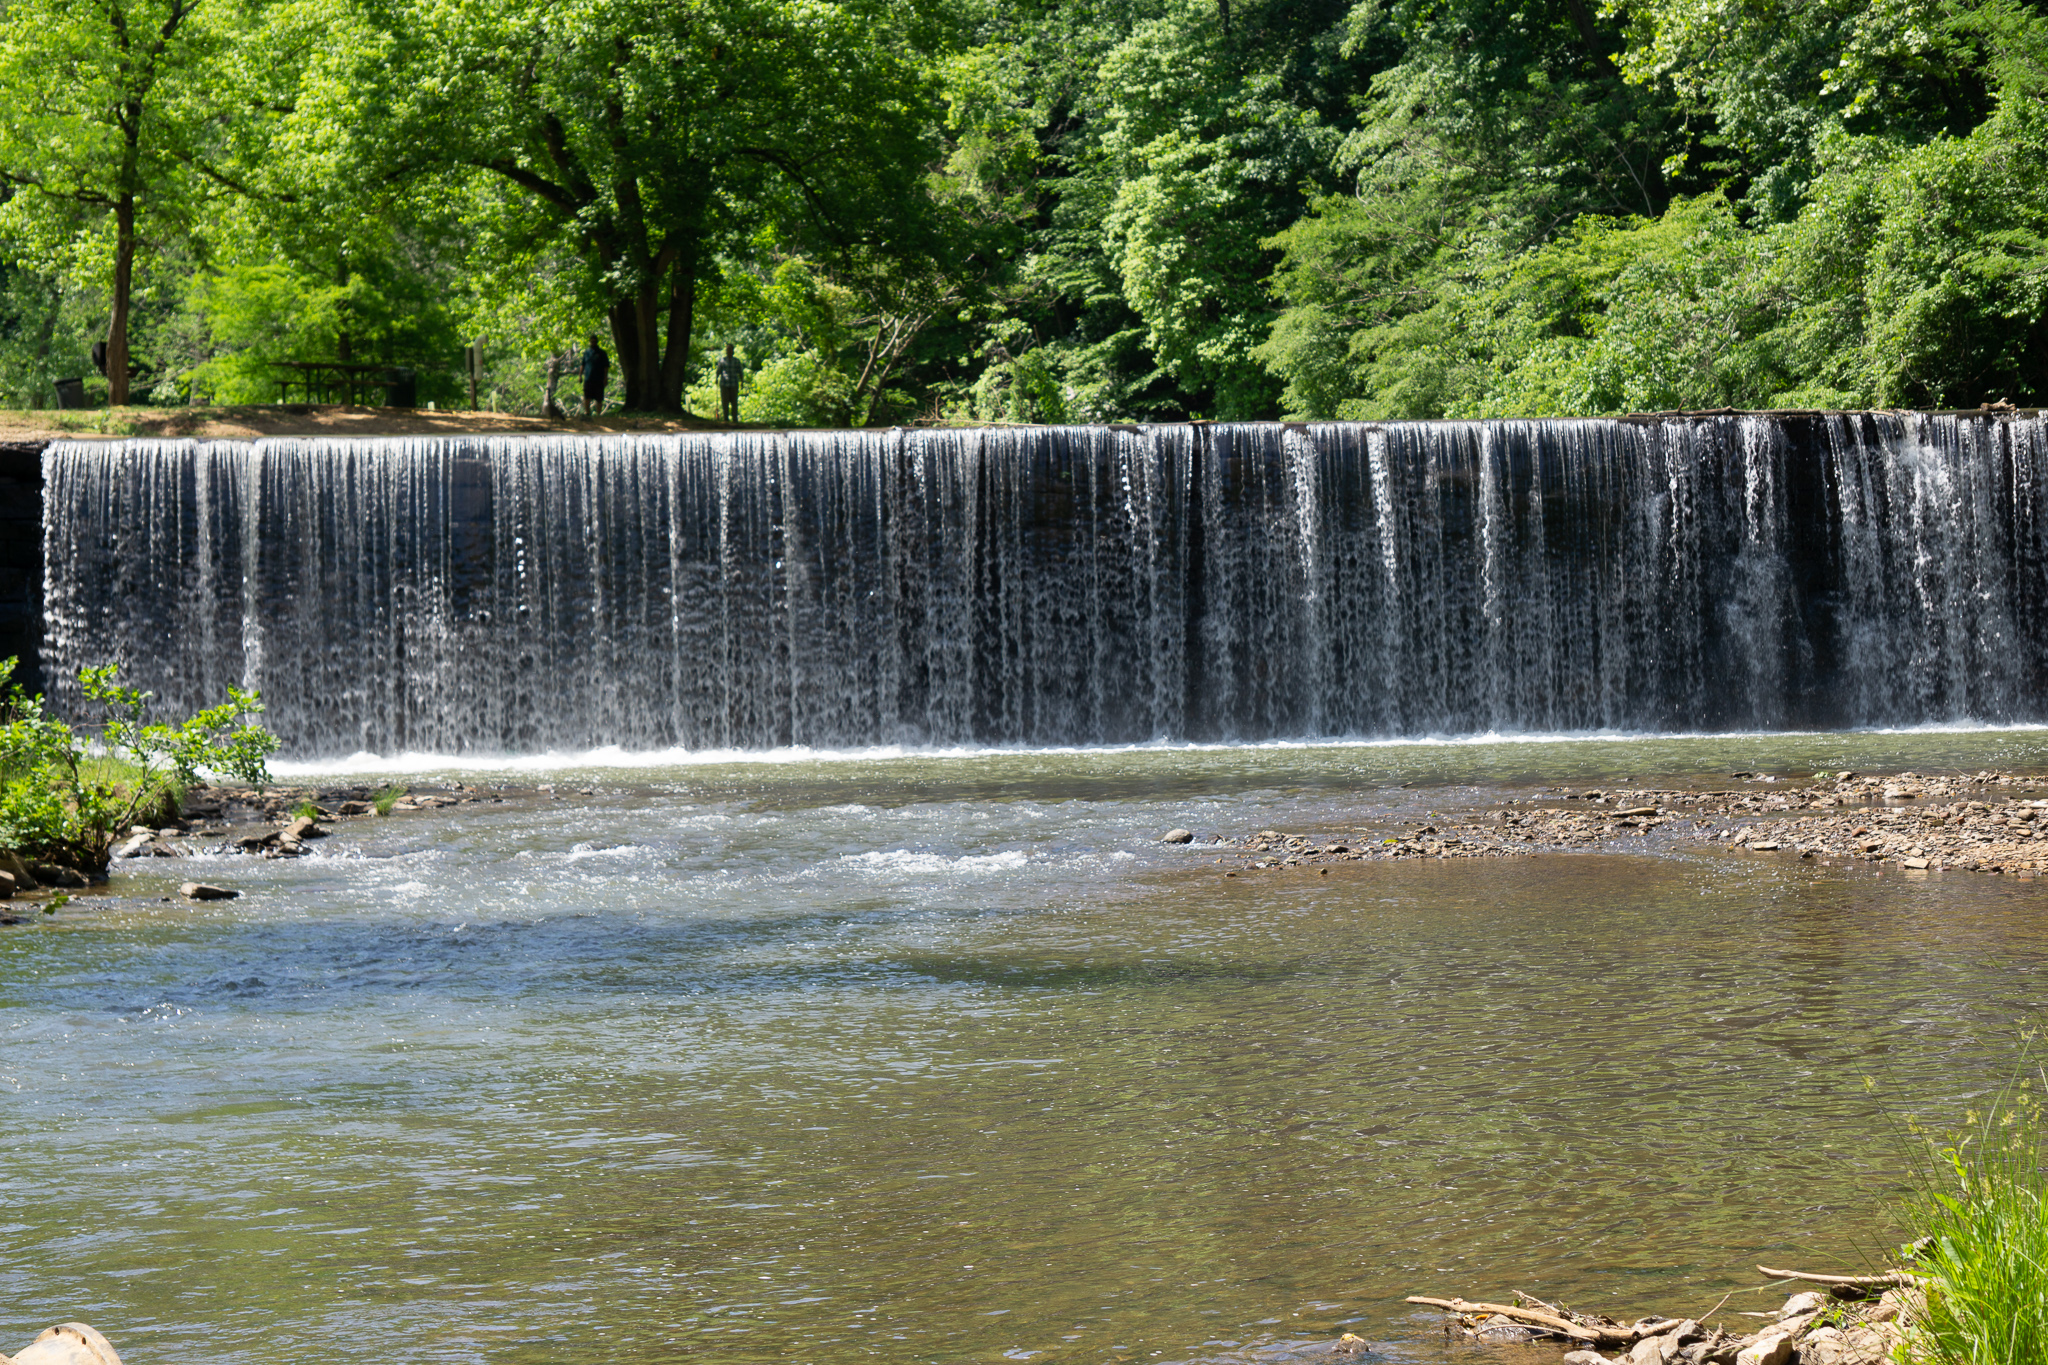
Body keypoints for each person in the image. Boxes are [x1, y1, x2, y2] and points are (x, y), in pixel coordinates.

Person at [579, 333, 610, 417]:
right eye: (591, 341)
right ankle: (587, 412)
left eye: (594, 341)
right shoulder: (586, 353)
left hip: (599, 378)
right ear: (590, 342)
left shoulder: (602, 353)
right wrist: (580, 375)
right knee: (587, 396)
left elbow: (606, 366)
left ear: (597, 342)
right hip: (588, 378)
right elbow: (583, 364)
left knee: (599, 398)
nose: (593, 343)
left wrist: (605, 378)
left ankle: (598, 414)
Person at [714, 343, 743, 424]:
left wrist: (742, 381)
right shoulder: (722, 360)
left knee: (734, 402)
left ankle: (735, 420)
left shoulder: (736, 361)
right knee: (725, 402)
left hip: (734, 384)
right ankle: (726, 419)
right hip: (724, 384)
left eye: (730, 349)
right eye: (727, 350)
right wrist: (716, 379)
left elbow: (740, 371)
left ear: (732, 351)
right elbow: (719, 371)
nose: (728, 351)